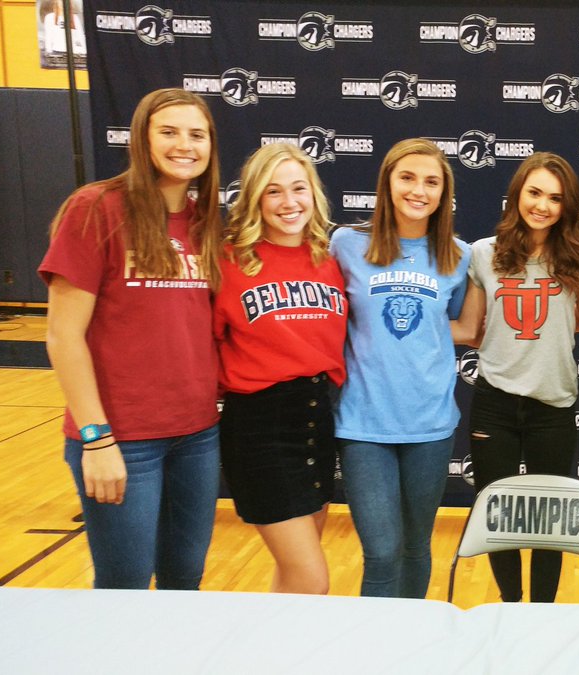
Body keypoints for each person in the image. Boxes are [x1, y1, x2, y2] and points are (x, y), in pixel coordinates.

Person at [39, 88, 223, 589]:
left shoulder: (208, 224)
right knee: (124, 587)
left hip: (197, 435)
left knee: (185, 579)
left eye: (197, 134)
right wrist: (97, 438)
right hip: (121, 439)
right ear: (142, 139)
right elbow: (62, 336)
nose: (184, 145)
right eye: (168, 132)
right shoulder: (95, 207)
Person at [331, 138, 471, 598]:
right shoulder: (347, 245)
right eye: (407, 177)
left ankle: (417, 643)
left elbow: (456, 326)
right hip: (364, 424)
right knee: (382, 552)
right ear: (387, 182)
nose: (419, 190)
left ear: (444, 193)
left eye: (432, 181)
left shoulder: (457, 254)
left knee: (415, 546)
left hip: (429, 424)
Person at [452, 152, 579, 603]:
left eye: (555, 198)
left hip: (554, 402)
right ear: (517, 195)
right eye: (535, 193)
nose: (543, 206)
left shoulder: (577, 259)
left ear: (566, 206)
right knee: (499, 515)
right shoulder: (483, 253)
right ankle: (512, 608)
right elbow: (472, 330)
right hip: (495, 402)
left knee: (550, 520)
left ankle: (542, 614)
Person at [213, 143, 347, 594]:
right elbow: (205, 344)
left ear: (314, 193)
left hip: (315, 415)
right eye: (273, 192)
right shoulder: (230, 261)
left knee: (294, 575)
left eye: (298, 188)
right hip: (259, 426)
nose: (289, 203)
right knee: (312, 579)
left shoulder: (328, 260)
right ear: (254, 199)